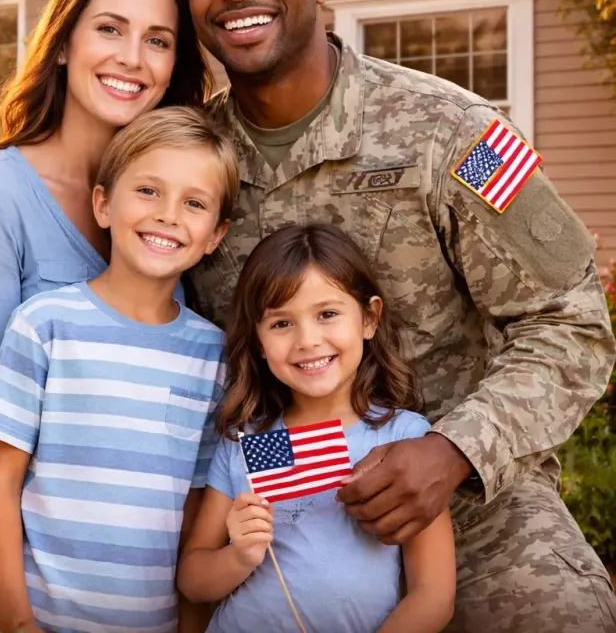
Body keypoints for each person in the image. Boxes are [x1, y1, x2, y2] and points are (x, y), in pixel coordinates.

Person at [173, 0, 616, 631]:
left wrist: (452, 452)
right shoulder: (186, 162)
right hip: (279, 504)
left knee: (561, 615)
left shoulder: (457, 130)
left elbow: (571, 325)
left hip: (469, 504)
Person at [0, 0, 214, 582]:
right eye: (109, 29)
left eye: (158, 40)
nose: (132, 58)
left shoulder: (171, 205)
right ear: (61, 43)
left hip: (126, 553)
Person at [0, 105, 238, 633]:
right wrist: (17, 621)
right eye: (148, 191)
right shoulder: (44, 325)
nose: (168, 215)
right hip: (36, 619)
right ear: (103, 204)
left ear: (215, 235)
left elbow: (195, 508)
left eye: (193, 203)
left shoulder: (213, 356)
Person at [179, 223, 456, 632]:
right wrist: (239, 555)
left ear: (369, 318)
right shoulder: (249, 442)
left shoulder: (404, 440)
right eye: (281, 323)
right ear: (257, 341)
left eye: (327, 314)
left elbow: (433, 597)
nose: (307, 340)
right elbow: (192, 580)